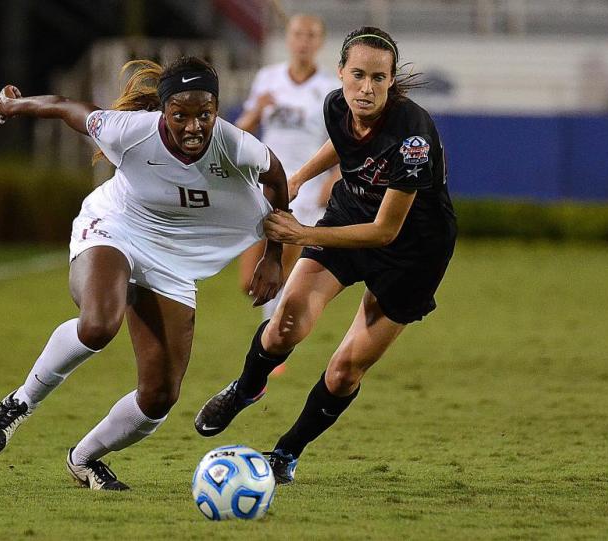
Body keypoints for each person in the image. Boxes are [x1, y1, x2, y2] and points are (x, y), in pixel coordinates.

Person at [0, 56, 288, 490]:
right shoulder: (132, 132)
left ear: (217, 110)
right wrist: (17, 106)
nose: (194, 126)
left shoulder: (237, 145)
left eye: (205, 114)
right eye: (181, 115)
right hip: (115, 228)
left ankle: (84, 459)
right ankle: (19, 402)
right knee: (100, 324)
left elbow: (277, 179)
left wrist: (273, 254)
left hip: (173, 259)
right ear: (164, 112)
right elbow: (72, 109)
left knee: (160, 397)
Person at [194, 27, 457, 484]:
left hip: (413, 253)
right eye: (358, 75)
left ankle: (286, 453)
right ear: (341, 73)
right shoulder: (337, 104)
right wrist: (296, 180)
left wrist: (303, 230)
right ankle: (246, 388)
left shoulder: (413, 136)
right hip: (350, 211)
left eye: (378, 78)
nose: (366, 88)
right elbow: (345, 142)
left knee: (344, 369)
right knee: (286, 322)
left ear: (391, 81)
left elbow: (384, 231)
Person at [236, 14, 339, 337]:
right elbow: (240, 133)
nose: (303, 41)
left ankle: (273, 339)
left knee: (283, 265)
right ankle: (277, 328)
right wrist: (256, 110)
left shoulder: (330, 89)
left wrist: (334, 178)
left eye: (311, 35)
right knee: (248, 280)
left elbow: (341, 142)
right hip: (265, 181)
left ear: (319, 42)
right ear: (288, 39)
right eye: (297, 34)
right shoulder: (268, 78)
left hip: (306, 186)